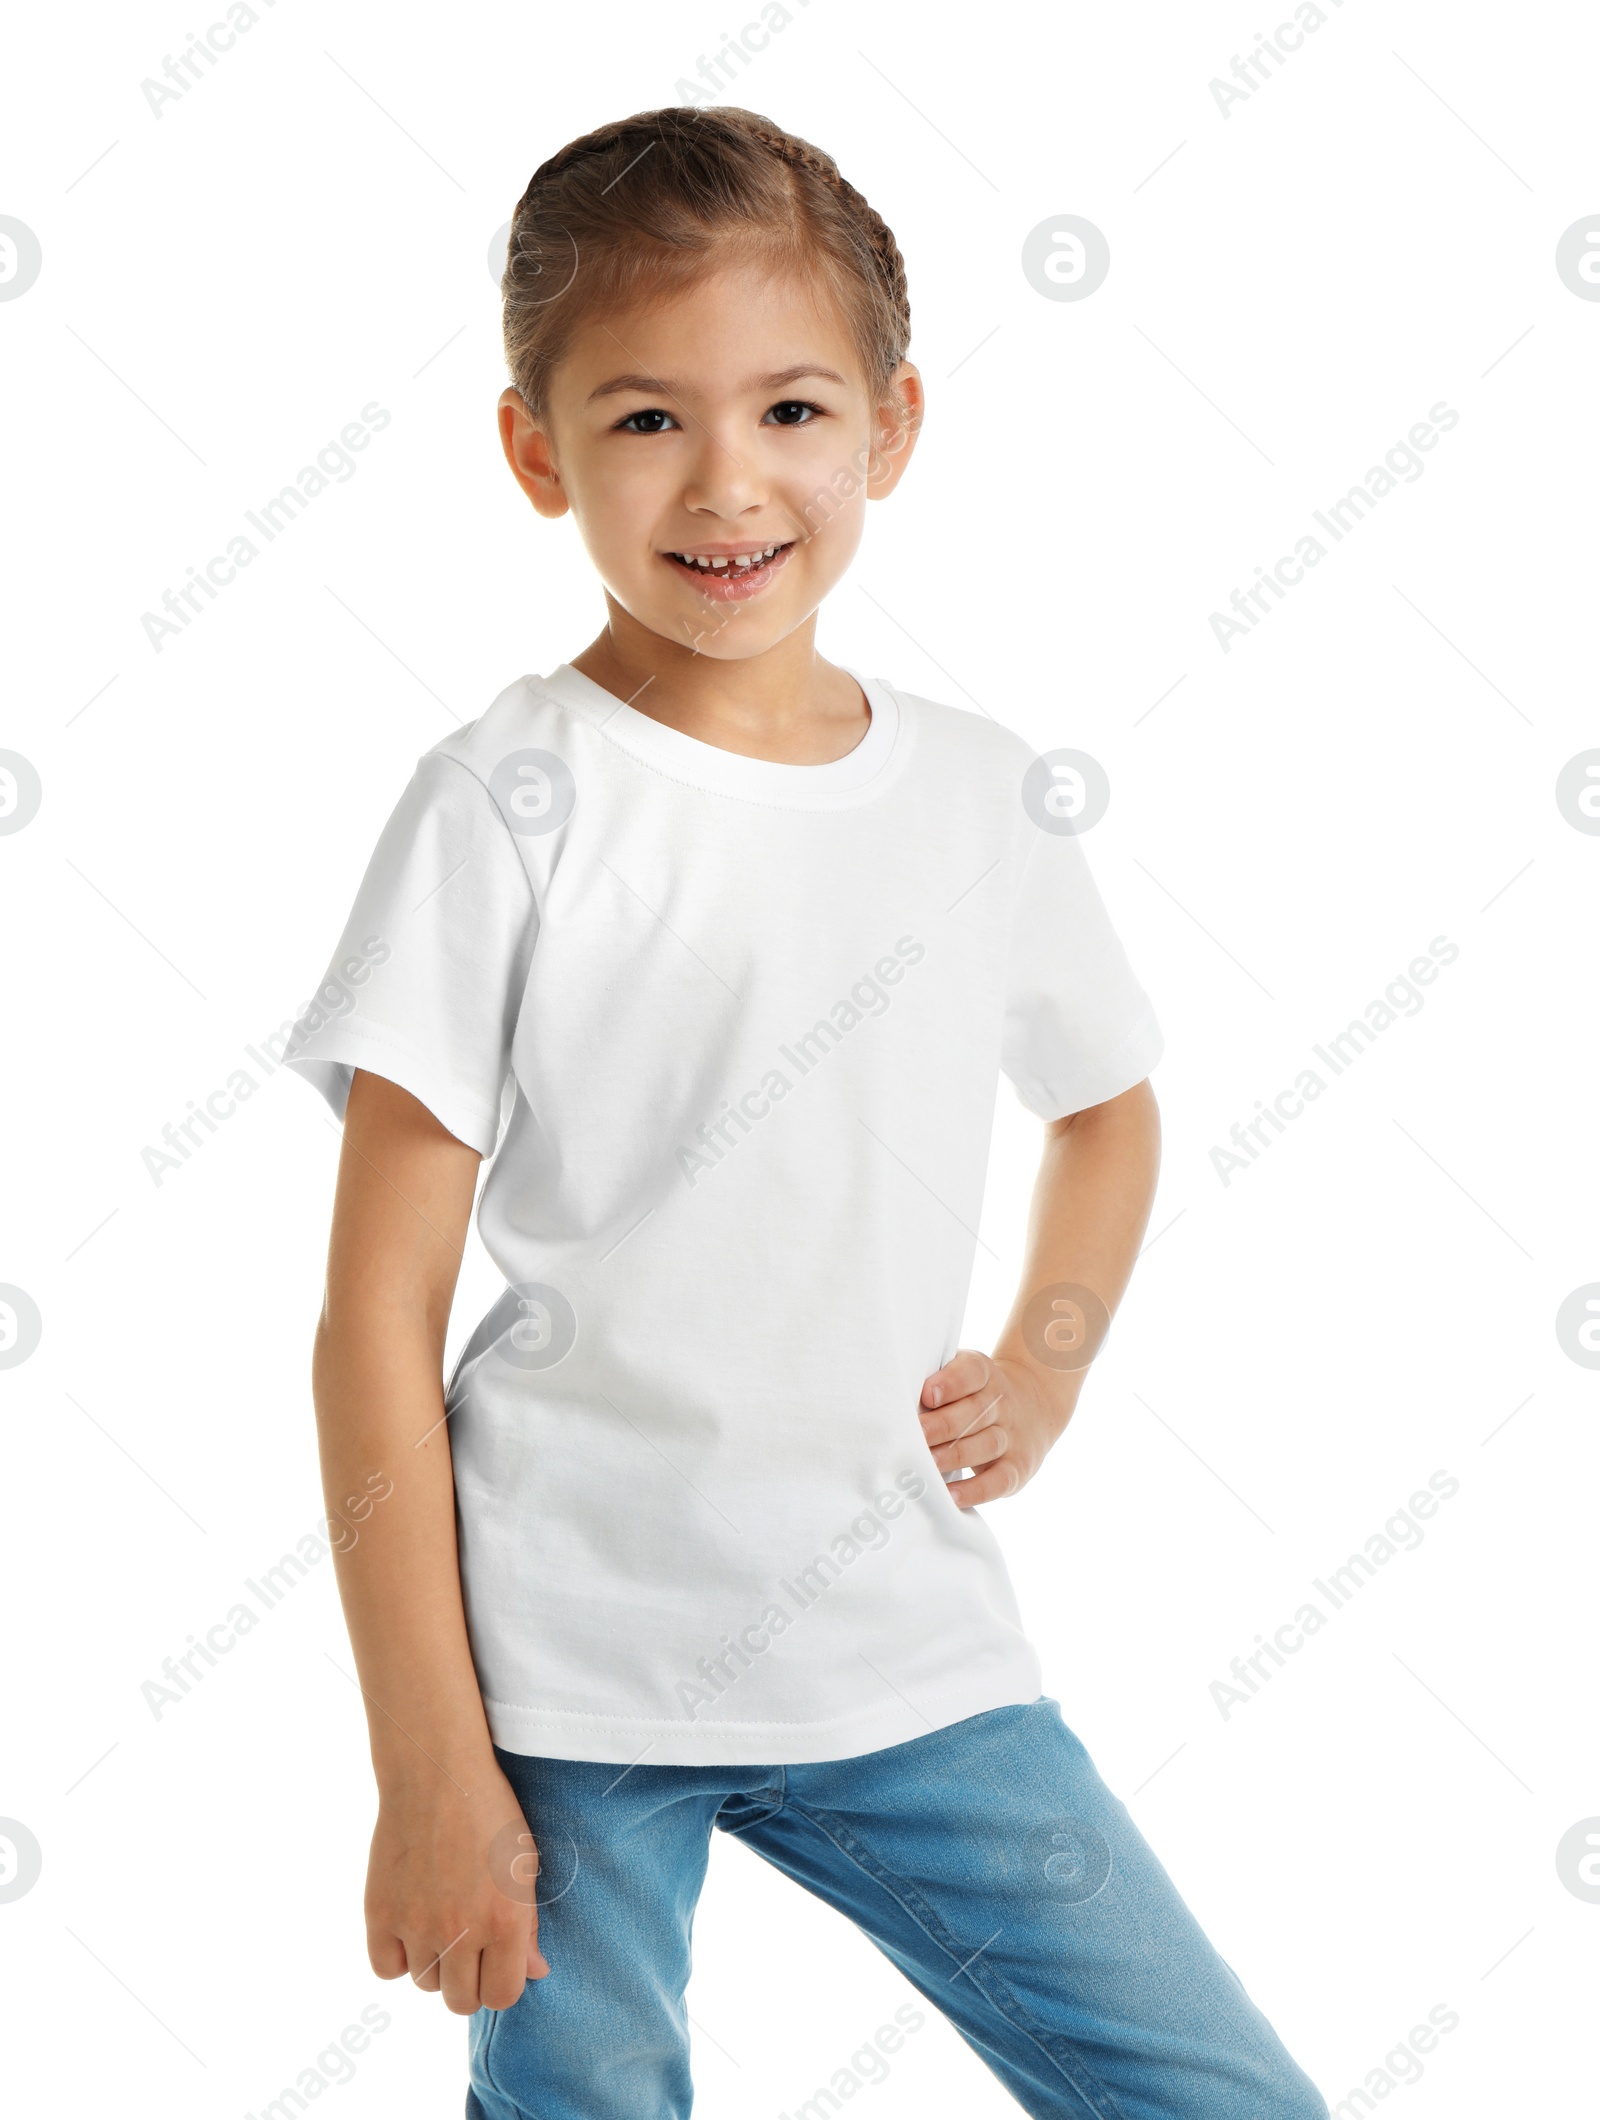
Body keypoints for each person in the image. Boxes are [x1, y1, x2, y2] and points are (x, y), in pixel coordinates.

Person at [288, 105, 1327, 2120]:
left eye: (786, 406)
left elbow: (1103, 1110)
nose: (728, 481)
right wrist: (430, 1763)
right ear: (535, 452)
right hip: (561, 1682)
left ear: (890, 423)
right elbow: (367, 1326)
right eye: (645, 420)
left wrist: (1042, 1364)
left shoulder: (972, 795)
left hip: (902, 1659)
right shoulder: (502, 802)